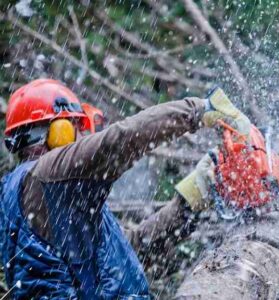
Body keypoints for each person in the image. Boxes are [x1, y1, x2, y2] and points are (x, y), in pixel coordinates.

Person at [0, 79, 250, 299]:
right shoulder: (47, 174)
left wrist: (188, 202)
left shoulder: (46, 194)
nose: (80, 138)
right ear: (57, 132)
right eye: (74, 128)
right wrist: (200, 109)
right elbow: (119, 141)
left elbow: (126, 253)